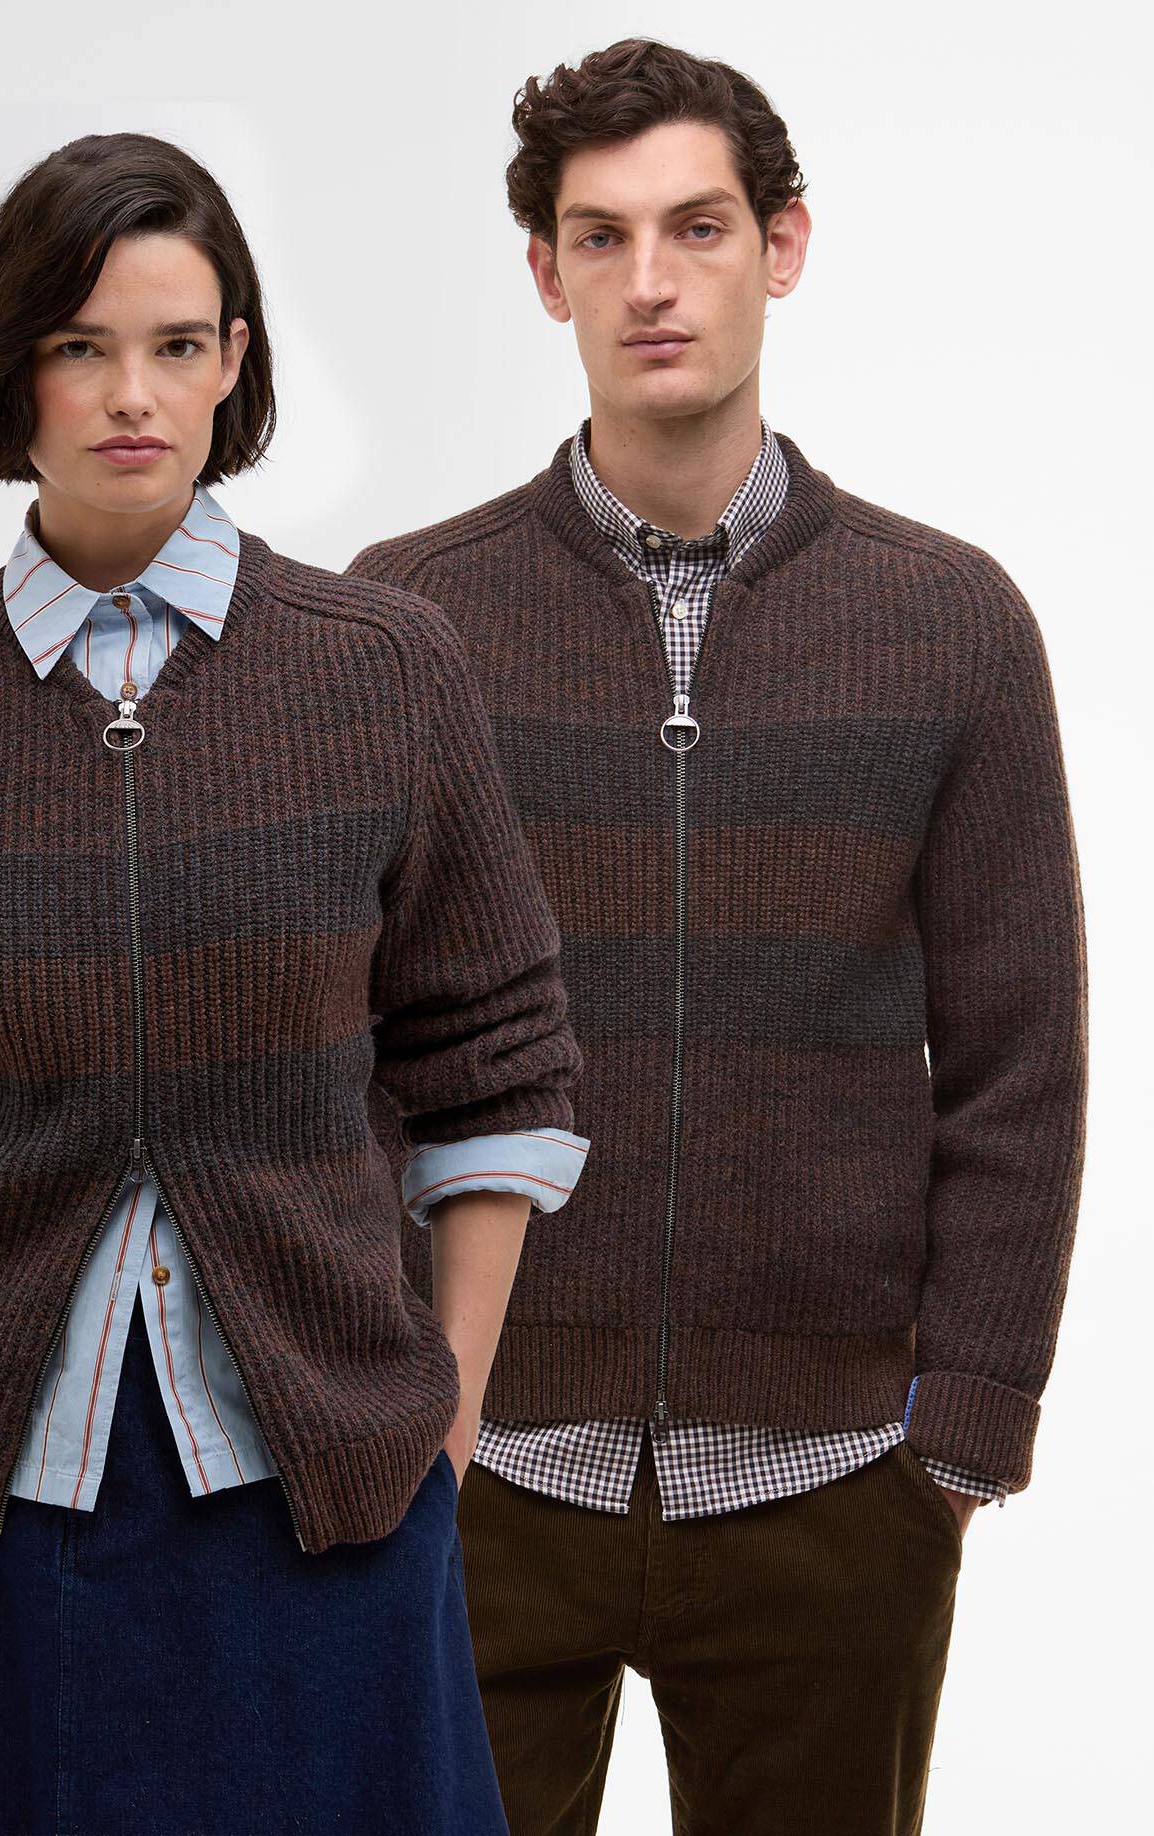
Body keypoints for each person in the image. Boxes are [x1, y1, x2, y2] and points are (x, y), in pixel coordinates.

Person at [0, 130, 589, 1836]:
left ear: (234, 361)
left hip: (318, 1508)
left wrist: (446, 1426)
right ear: (9, 370)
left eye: (179, 344)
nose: (133, 395)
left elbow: (497, 1065)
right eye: (79, 345)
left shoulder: (385, 673)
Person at [347, 36, 1088, 1836]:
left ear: (785, 245)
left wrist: (965, 1427)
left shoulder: (949, 622)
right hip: (477, 1472)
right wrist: (376, 1398)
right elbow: (338, 1045)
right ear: (545, 276)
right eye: (600, 239)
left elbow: (1021, 1060)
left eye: (697, 228)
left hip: (834, 1485)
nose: (651, 283)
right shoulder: (409, 621)